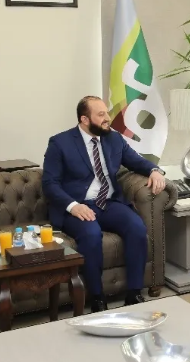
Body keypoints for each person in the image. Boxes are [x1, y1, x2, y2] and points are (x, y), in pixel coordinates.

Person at [42, 96, 166, 313]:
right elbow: (50, 183)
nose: (107, 118)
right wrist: (73, 206)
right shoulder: (60, 143)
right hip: (78, 206)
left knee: (137, 228)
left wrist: (155, 171)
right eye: (101, 115)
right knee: (91, 235)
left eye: (106, 112)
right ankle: (97, 298)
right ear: (84, 119)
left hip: (108, 203)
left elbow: (136, 161)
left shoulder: (113, 138)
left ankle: (134, 293)